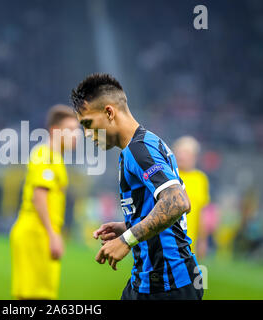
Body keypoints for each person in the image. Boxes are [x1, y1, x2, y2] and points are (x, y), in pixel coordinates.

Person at [70, 73, 203, 300]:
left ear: (109, 112)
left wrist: (127, 239)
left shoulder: (139, 150)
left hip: (167, 285)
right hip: (149, 280)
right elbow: (173, 203)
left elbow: (179, 202)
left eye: (88, 124)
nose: (86, 134)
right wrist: (129, 224)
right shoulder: (144, 145)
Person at [10, 104, 79, 299]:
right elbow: (39, 196)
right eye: (71, 130)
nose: (77, 135)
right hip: (36, 232)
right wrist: (52, 234)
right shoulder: (45, 155)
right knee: (38, 296)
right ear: (55, 131)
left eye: (77, 131)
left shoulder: (54, 157)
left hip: (39, 232)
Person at [173, 136, 210, 259]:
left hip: (189, 242)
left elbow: (202, 212)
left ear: (194, 157)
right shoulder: (170, 175)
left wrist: (203, 241)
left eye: (186, 153)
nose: (182, 156)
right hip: (168, 240)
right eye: (179, 152)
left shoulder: (200, 179)